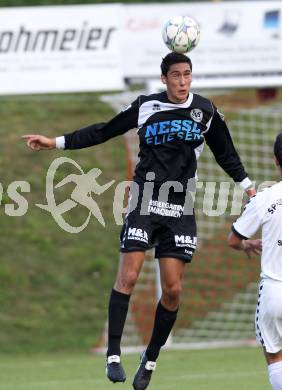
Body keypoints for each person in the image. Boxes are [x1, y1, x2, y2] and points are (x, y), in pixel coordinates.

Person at [23, 52, 256, 390]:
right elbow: (104, 131)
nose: (181, 82)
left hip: (180, 207)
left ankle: (150, 359)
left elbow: (226, 153)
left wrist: (248, 188)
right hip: (145, 202)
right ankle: (113, 355)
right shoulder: (146, 105)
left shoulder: (205, 111)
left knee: (173, 290)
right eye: (175, 75)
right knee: (129, 276)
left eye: (187, 75)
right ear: (164, 79)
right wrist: (55, 142)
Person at [228, 133, 282, 390]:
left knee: (275, 358)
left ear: (275, 161)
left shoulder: (265, 198)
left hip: (274, 291)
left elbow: (234, 240)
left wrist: (247, 244)